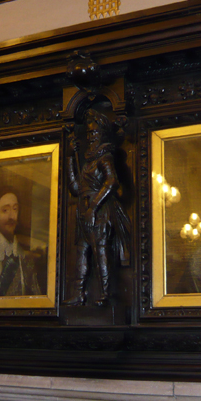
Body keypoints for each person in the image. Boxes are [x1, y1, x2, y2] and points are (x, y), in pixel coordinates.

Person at [64, 109, 130, 306]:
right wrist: (69, 158)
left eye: (94, 133)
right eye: (88, 134)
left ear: (102, 134)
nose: (90, 137)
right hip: (84, 212)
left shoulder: (105, 158)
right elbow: (75, 188)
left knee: (101, 252)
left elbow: (112, 182)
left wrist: (94, 206)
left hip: (99, 212)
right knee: (82, 253)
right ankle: (79, 294)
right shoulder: (87, 163)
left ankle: (106, 295)